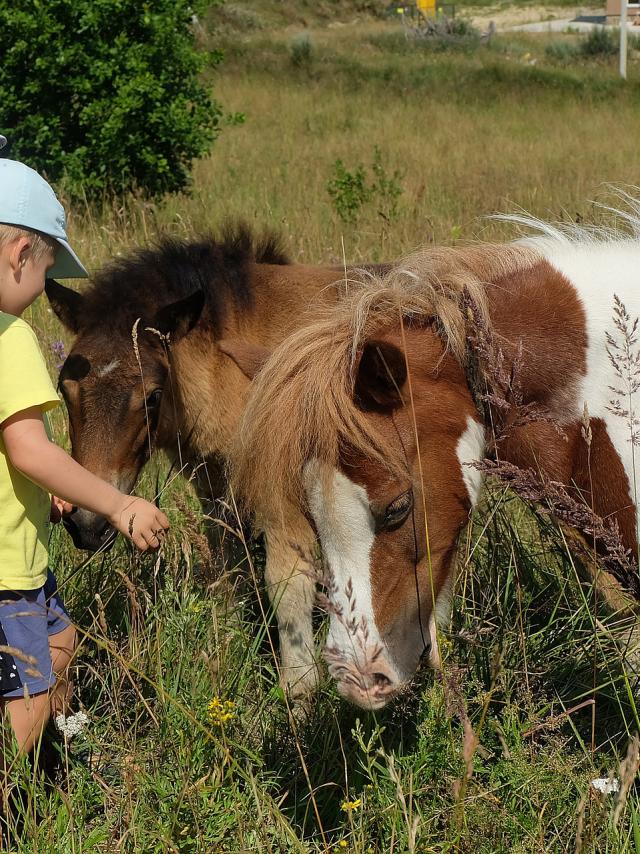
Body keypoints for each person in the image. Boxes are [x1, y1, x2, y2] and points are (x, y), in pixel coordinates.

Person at [0, 157, 170, 756]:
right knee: (28, 698)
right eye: (45, 273)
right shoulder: (11, 337)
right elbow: (27, 448)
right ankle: (13, 796)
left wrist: (33, 494)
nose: (42, 294)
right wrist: (118, 504)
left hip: (21, 557)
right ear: (19, 253)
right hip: (7, 574)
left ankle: (60, 756)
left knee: (63, 640)